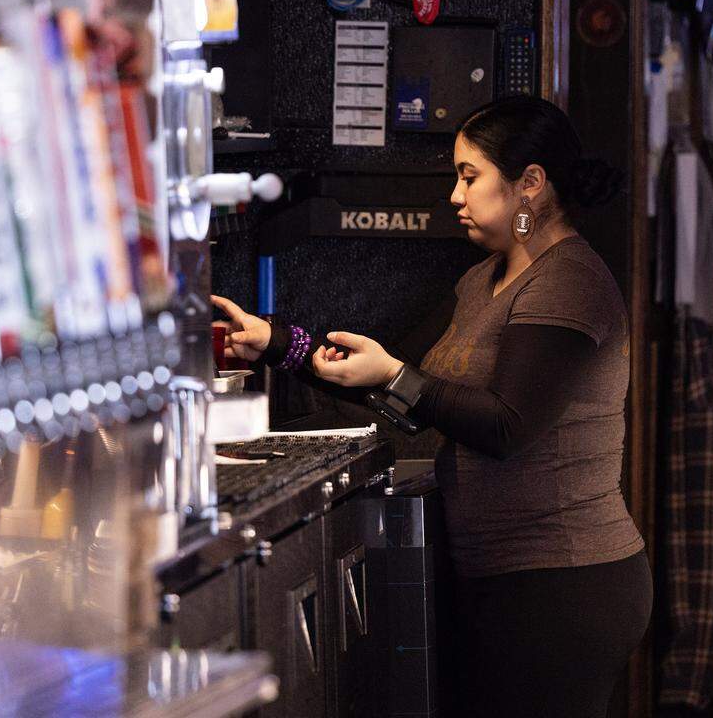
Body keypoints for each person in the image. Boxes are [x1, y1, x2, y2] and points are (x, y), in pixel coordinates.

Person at [211, 96, 651, 718]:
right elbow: (408, 392)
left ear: (529, 185)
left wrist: (397, 374)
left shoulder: (568, 282)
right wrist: (278, 343)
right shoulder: (484, 281)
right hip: (500, 579)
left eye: (470, 176)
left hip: (563, 582)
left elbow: (505, 425)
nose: (454, 195)